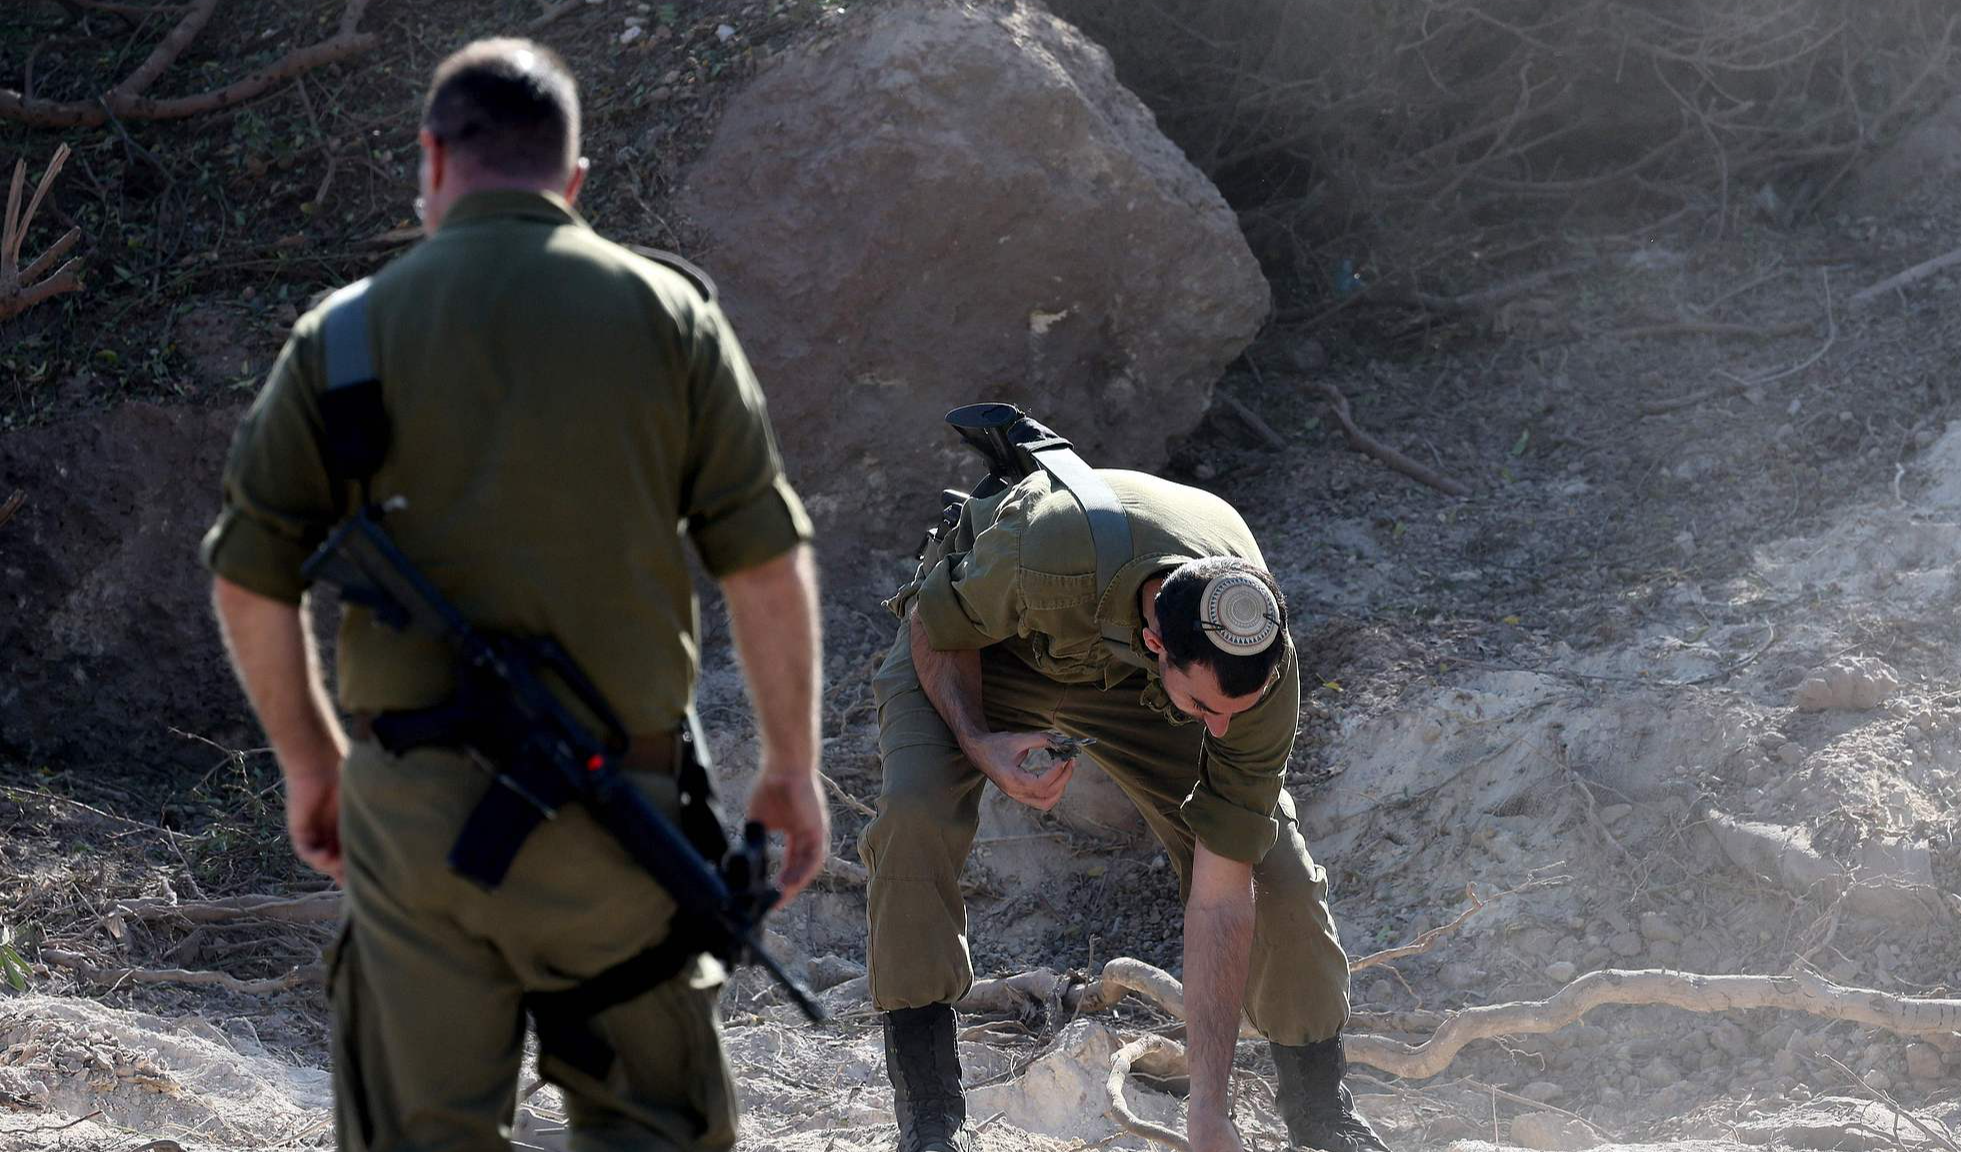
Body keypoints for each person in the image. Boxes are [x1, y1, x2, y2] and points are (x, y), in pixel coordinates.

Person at [201, 38, 827, 1152]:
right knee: (653, 1126)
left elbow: (250, 581)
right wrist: (789, 768)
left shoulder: (340, 336)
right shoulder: (669, 317)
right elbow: (764, 566)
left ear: (432, 159)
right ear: (572, 181)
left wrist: (313, 762)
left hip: (415, 827)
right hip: (625, 827)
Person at [859, 460, 1388, 1152]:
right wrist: (980, 741)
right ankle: (928, 1117)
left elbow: (1222, 897)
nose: (1221, 730)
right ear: (1157, 642)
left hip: (1143, 691)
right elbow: (936, 623)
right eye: (1208, 709)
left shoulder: (1259, 666)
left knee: (1275, 876)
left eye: (1236, 712)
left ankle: (1323, 1117)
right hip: (986, 648)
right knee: (913, 817)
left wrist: (1208, 1111)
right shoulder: (1042, 556)